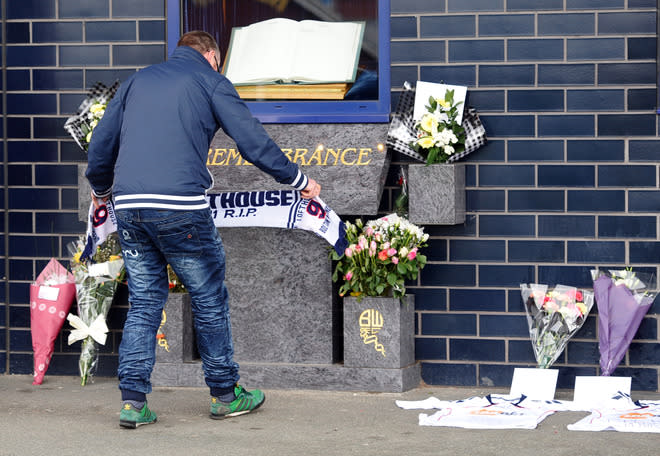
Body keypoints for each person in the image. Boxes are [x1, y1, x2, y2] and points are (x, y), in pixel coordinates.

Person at [85, 30, 321, 429]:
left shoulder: (138, 80)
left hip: (129, 207)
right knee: (208, 298)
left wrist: (100, 189)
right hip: (180, 209)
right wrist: (299, 180)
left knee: (144, 301)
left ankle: (133, 402)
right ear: (212, 55)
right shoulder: (211, 81)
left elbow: (103, 141)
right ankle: (226, 395)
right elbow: (252, 141)